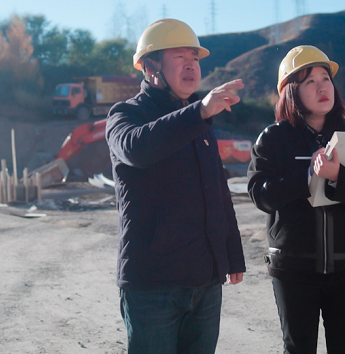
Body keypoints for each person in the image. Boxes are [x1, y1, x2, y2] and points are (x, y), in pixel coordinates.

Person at [105, 18, 247, 354]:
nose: (191, 65)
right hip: (153, 285)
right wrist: (200, 111)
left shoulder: (200, 121)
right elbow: (137, 148)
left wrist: (232, 255)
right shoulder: (125, 115)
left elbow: (219, 192)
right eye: (180, 57)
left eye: (194, 58)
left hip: (206, 282)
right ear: (150, 66)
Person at [247, 45, 345, 354]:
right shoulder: (273, 139)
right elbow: (260, 193)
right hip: (294, 269)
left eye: (325, 78)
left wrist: (338, 176)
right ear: (291, 92)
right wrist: (308, 177)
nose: (322, 87)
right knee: (298, 349)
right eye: (309, 81)